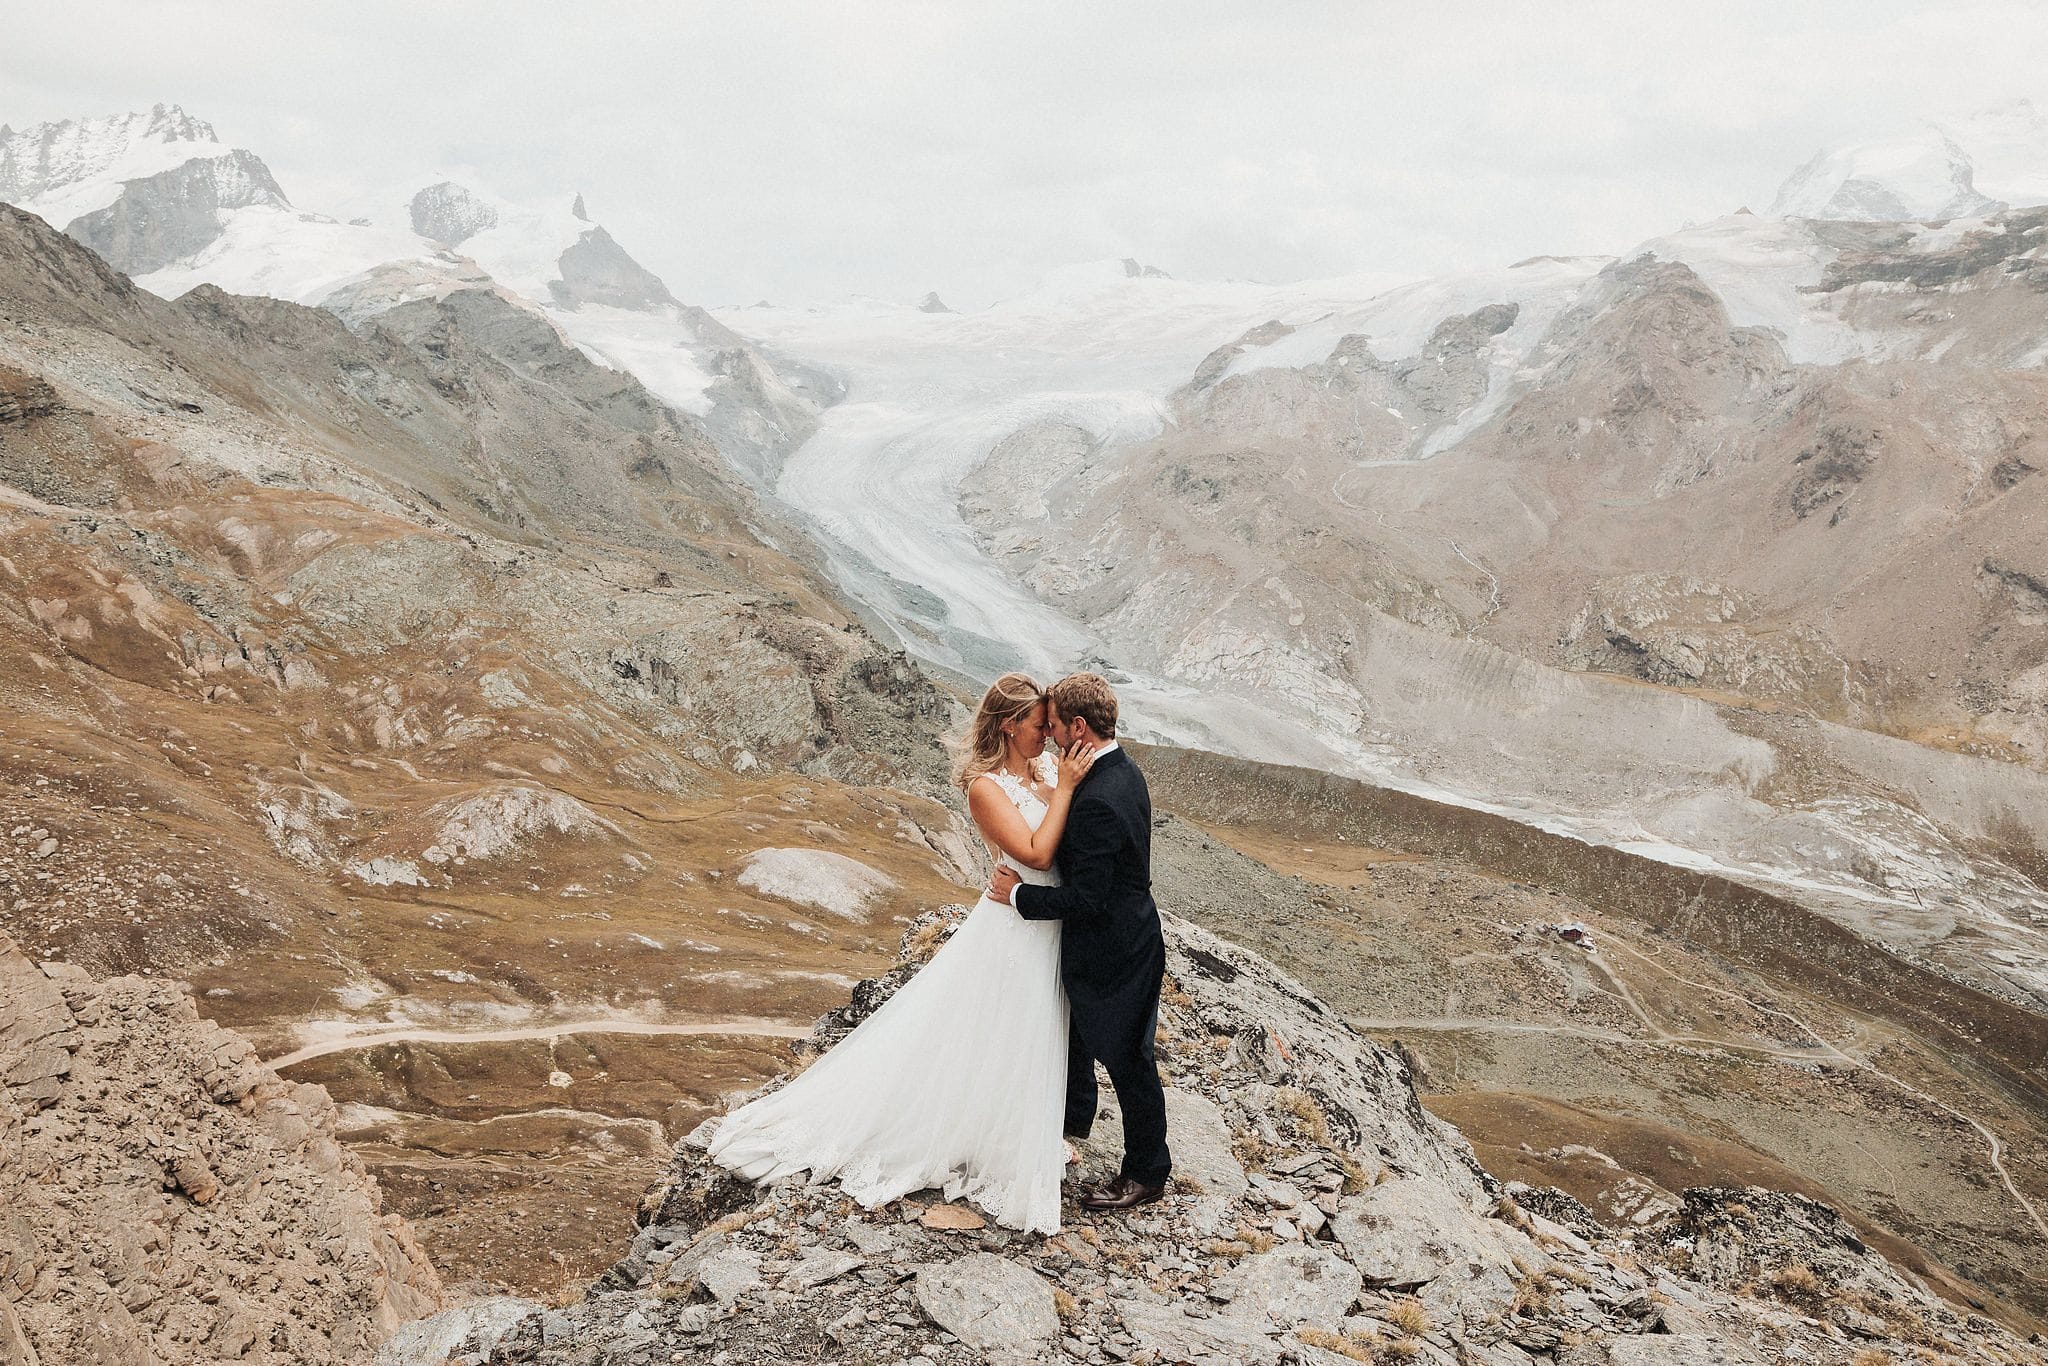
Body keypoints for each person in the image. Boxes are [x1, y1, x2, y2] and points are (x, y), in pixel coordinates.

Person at [706, 672, 1100, 1233]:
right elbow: (1036, 854)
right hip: (1013, 922)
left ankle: (1018, 1130)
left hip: (1045, 919)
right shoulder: (985, 788)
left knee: (1028, 1027)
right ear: (1011, 727)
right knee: (1000, 1023)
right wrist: (1064, 788)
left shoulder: (1040, 769)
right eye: (1040, 726)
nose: (1049, 736)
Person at [989, 672, 1172, 1212]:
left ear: (1079, 726)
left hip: (1114, 951)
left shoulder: (1096, 797)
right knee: (1089, 1042)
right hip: (1132, 935)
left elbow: (1088, 899)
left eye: (1055, 726)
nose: (1050, 737)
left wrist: (1023, 897)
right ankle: (1073, 1120)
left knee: (1129, 1060)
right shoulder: (1122, 769)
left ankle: (1145, 1173)